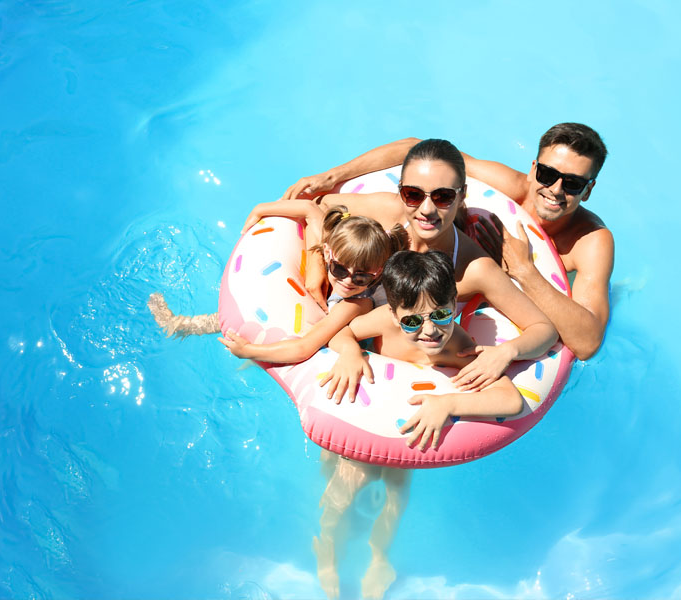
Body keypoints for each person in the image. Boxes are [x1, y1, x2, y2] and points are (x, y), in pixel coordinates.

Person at [284, 123, 613, 360]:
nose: (555, 189)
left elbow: (586, 343)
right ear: (533, 169)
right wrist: (333, 177)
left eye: (572, 183)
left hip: (497, 286)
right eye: (547, 175)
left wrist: (524, 270)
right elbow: (417, 149)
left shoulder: (590, 241)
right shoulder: (503, 187)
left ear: (589, 188)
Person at [314, 250, 523, 600]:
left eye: (442, 315)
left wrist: (449, 403)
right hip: (364, 419)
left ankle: (380, 558)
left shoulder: (458, 346)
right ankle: (328, 553)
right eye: (412, 322)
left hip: (403, 431)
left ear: (455, 305)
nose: (429, 330)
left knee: (396, 489)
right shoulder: (382, 321)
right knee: (343, 487)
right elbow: (340, 332)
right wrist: (351, 353)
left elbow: (511, 400)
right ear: (395, 316)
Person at [302, 139, 557, 401]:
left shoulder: (474, 269)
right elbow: (319, 206)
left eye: (443, 197)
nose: (426, 209)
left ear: (462, 195)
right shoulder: (389, 213)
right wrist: (316, 267)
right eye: (413, 194)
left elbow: (544, 329)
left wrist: (505, 352)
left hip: (404, 362)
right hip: (347, 337)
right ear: (401, 192)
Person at [219, 202, 409, 364]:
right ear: (327, 253)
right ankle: (198, 324)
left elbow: (304, 347)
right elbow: (310, 209)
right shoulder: (337, 249)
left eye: (362, 277)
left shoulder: (358, 303)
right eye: (339, 270)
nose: (348, 281)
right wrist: (260, 209)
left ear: (379, 271)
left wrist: (248, 351)